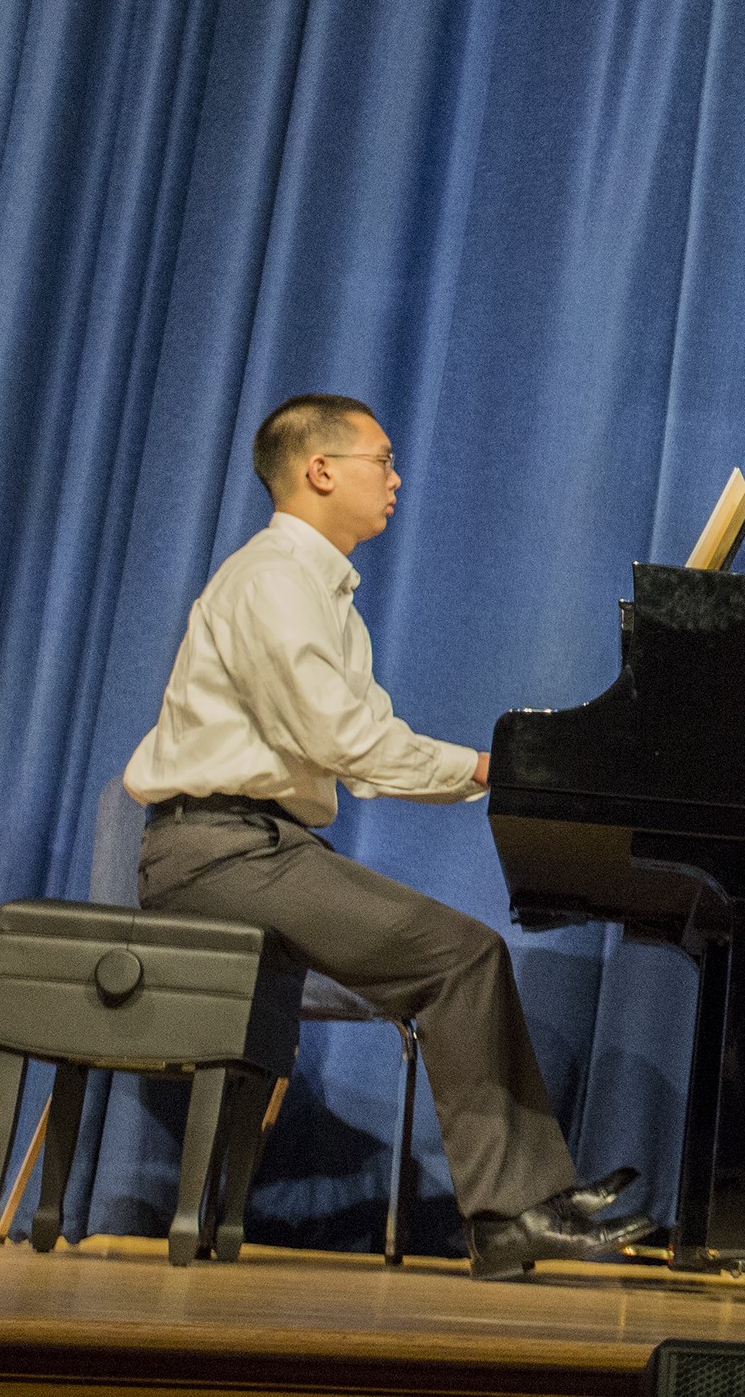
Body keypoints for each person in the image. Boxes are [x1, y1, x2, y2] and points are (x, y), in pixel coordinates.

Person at [123, 393, 653, 1280]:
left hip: (260, 847)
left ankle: (527, 1202)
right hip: (216, 853)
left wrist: (485, 771)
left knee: (466, 954)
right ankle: (513, 1213)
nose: (397, 479)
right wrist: (493, 769)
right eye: (383, 460)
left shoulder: (321, 590)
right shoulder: (272, 580)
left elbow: (362, 748)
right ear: (319, 470)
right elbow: (347, 744)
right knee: (461, 956)